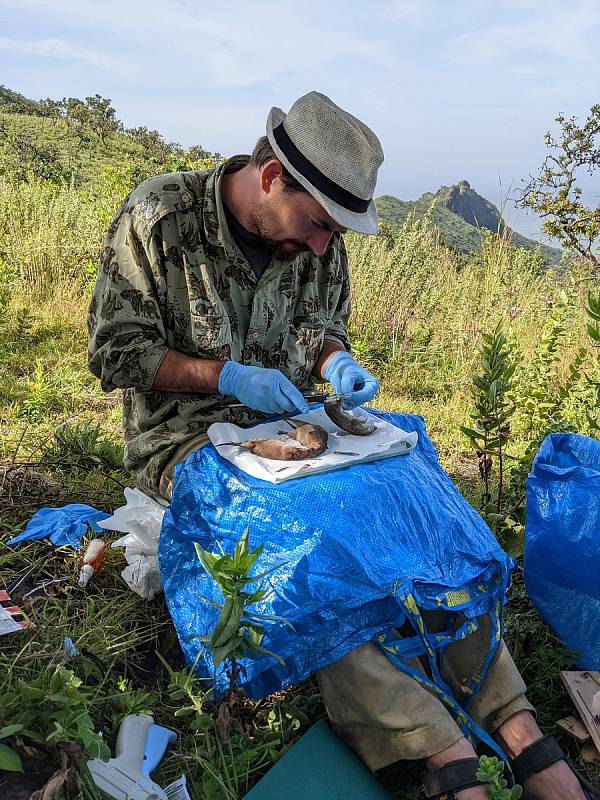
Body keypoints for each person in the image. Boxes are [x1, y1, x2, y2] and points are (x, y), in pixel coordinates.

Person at [87, 92, 595, 800]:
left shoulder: (320, 242)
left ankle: (512, 718)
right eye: (319, 224)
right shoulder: (159, 217)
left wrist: (333, 365)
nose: (325, 244)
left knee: (411, 505)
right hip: (188, 441)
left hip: (301, 432)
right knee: (309, 548)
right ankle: (432, 745)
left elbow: (323, 331)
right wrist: (223, 376)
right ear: (271, 179)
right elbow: (113, 352)